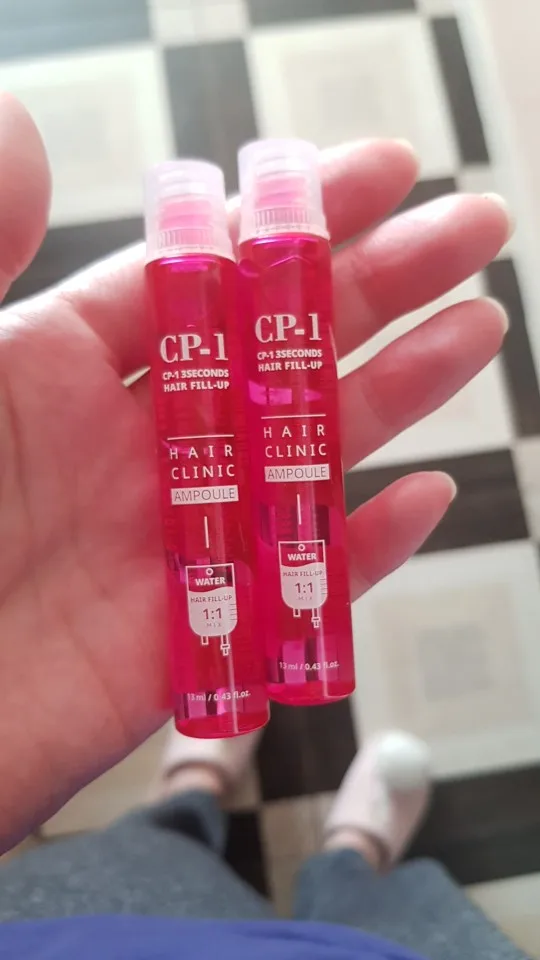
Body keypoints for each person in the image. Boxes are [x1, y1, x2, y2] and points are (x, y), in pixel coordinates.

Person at [0, 91, 525, 959]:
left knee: (287, 527)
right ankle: (327, 846)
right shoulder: (181, 280)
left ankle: (196, 795)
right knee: (224, 552)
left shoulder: (280, 264)